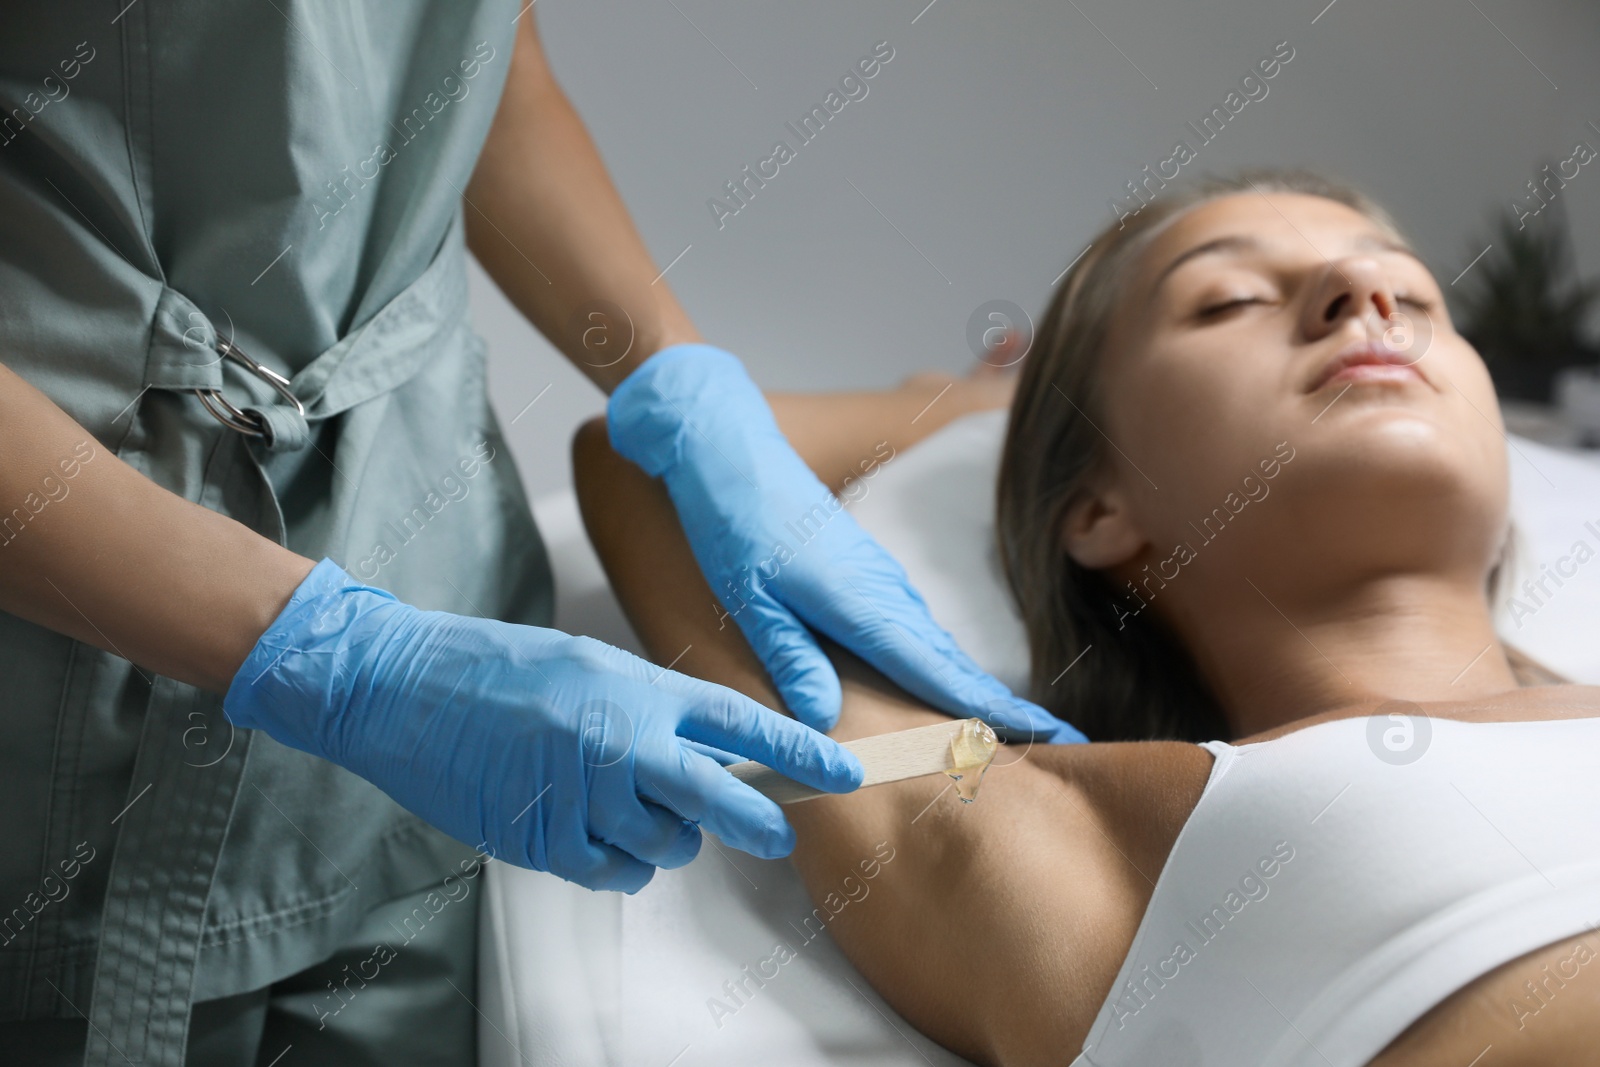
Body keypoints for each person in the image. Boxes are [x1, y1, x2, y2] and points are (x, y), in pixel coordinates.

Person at [0, 6, 1069, 1063]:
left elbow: (472, 64)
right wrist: (355, 666)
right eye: (1219, 297)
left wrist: (678, 382)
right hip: (67, 662)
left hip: (419, 559)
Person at [574, 169, 1600, 1066]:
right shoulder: (1098, 848)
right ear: (1099, 509)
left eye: (1414, 292)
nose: (1365, 293)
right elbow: (636, 459)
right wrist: (1007, 413)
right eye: (1227, 299)